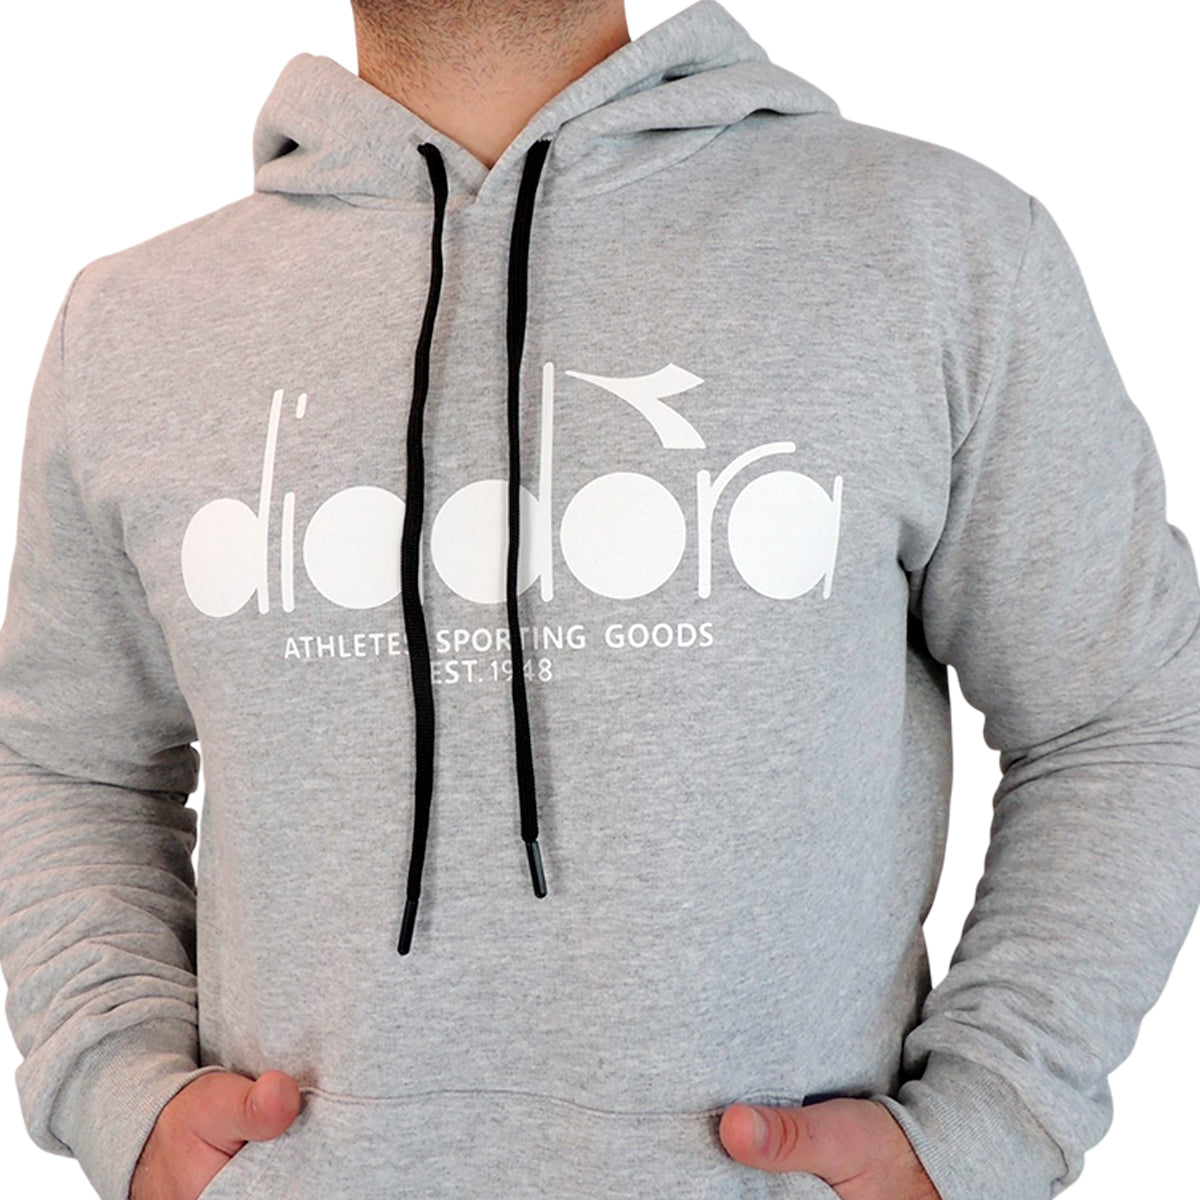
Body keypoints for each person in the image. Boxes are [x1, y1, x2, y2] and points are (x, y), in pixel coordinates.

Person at [1, 1, 1197, 1198]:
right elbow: (64, 761)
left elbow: (1127, 712)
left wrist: (988, 1118)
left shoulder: (938, 251)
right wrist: (116, 1080)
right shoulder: (135, 325)